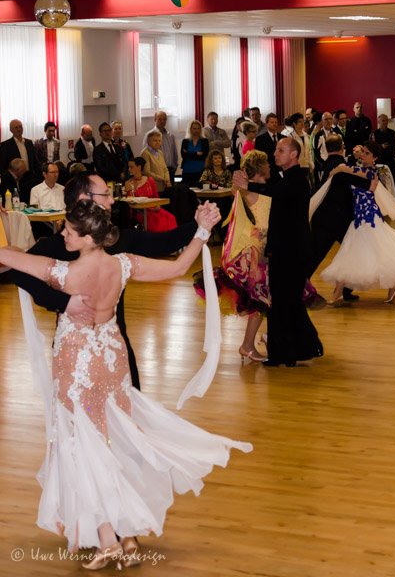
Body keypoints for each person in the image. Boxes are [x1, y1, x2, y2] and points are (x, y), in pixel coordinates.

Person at [0, 200, 252, 565]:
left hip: (76, 365)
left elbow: (6, 257)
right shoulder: (123, 264)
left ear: (88, 238)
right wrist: (202, 230)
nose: (62, 234)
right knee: (114, 440)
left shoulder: (63, 273)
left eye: (69, 230)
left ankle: (109, 541)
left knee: (81, 445)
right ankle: (128, 535)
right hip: (113, 359)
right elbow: (179, 267)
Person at [8, 172, 211, 392]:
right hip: (74, 353)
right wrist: (63, 302)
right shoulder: (57, 246)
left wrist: (199, 224)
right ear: (84, 199)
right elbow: (18, 273)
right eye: (105, 194)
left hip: (114, 344)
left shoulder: (118, 241)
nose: (112, 200)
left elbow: (166, 242)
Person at [233, 138, 323, 367]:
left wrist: (248, 185)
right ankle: (300, 349)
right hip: (284, 249)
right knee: (286, 303)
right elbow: (274, 190)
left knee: (283, 303)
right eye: (276, 150)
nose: (275, 153)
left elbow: (276, 191)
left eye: (280, 150)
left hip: (291, 251)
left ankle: (287, 352)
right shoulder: (286, 179)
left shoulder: (297, 180)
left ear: (293, 155)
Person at [318, 142, 395, 303]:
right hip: (359, 219)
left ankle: (392, 285)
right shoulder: (360, 171)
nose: (362, 155)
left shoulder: (369, 172)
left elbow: (344, 168)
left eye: (367, 153)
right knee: (349, 253)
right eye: (362, 152)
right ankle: (340, 292)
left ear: (375, 158)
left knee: (379, 252)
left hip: (369, 218)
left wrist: (338, 169)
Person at [195, 151, 271, 363]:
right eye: (266, 163)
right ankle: (248, 345)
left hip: (262, 249)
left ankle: (264, 338)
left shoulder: (256, 188)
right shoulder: (250, 191)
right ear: (259, 167)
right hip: (257, 252)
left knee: (265, 301)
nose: (270, 166)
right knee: (260, 301)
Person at [308, 135, 375, 302]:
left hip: (322, 217)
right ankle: (345, 290)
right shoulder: (341, 167)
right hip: (339, 218)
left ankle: (300, 287)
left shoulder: (324, 165)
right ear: (342, 148)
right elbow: (367, 185)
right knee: (354, 252)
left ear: (326, 149)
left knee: (315, 255)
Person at [125, 157, 177, 232]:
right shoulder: (129, 183)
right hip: (140, 211)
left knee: (170, 217)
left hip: (154, 208)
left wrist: (157, 207)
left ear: (139, 167)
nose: (129, 169)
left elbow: (156, 197)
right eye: (129, 167)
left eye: (131, 167)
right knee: (157, 222)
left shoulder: (150, 180)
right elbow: (130, 201)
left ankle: (171, 237)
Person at [142, 111, 179, 184]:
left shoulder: (170, 136)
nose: (162, 121)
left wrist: (175, 165)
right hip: (155, 172)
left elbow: (174, 152)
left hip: (169, 171)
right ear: (155, 119)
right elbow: (146, 152)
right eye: (160, 119)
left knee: (170, 190)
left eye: (164, 119)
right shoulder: (149, 135)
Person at [141, 130, 171, 195]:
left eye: (159, 141)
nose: (157, 142)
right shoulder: (145, 153)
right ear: (148, 141)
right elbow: (147, 172)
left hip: (163, 186)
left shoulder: (160, 153)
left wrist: (167, 179)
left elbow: (165, 169)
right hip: (152, 187)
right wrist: (162, 179)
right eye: (155, 140)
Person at [180, 119, 209, 185]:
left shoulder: (204, 141)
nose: (196, 130)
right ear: (190, 129)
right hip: (187, 170)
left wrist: (189, 154)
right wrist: (197, 153)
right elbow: (183, 155)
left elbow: (204, 156)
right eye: (194, 128)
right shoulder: (185, 141)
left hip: (200, 170)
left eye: (198, 128)